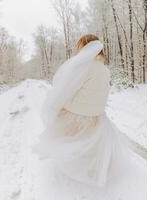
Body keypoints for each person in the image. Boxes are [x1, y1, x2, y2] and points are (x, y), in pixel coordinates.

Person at [33, 34, 132, 187]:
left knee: (62, 130)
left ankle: (72, 172)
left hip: (79, 115)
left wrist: (58, 106)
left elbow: (67, 90)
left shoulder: (84, 67)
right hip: (97, 116)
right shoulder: (104, 70)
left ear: (85, 47)